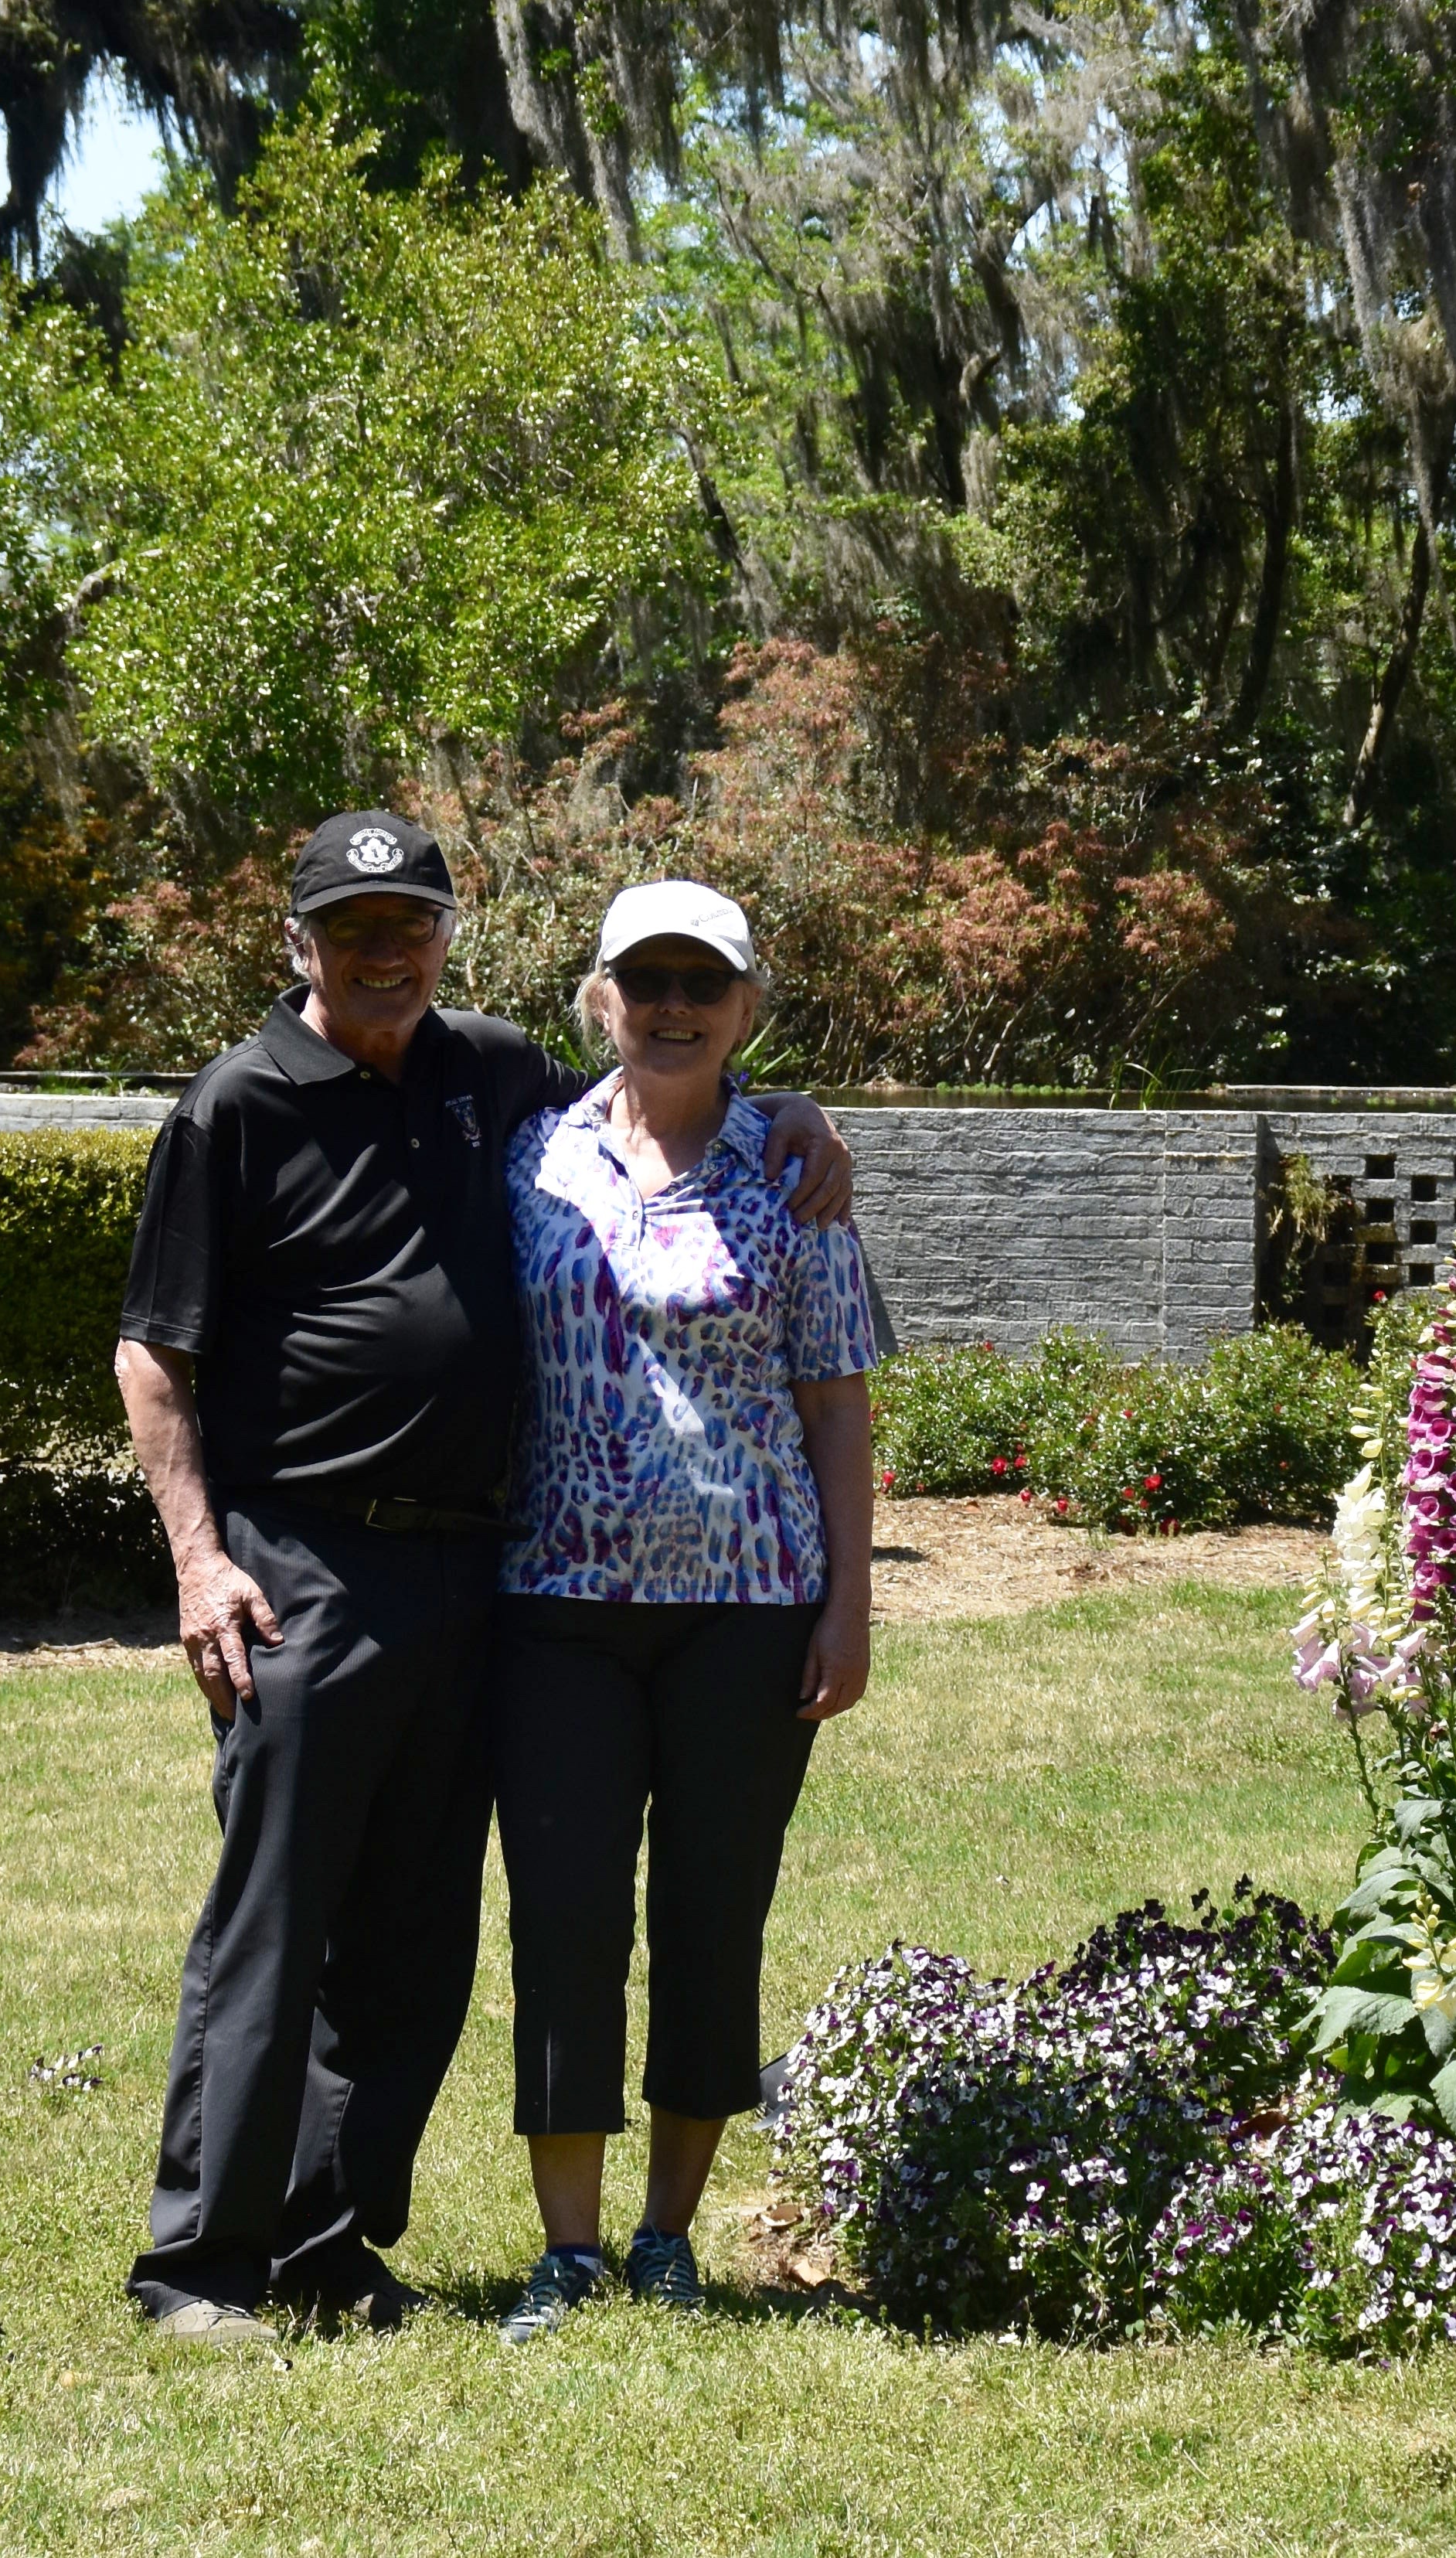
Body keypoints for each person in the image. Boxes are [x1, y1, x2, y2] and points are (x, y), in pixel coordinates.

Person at [115, 812, 855, 2342]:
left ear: (448, 935)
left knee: (413, 1929)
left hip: (473, 1569)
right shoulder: (237, 1103)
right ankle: (200, 2264)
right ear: (296, 943)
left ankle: (331, 2239)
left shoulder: (486, 1072)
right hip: (304, 1564)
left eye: (410, 924)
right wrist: (198, 1562)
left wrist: (799, 1117)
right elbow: (154, 1351)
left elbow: (681, 1087)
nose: (383, 952)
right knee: (278, 1912)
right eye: (351, 928)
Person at [490, 880, 878, 2345]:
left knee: (716, 1912)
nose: (669, 1003)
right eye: (642, 977)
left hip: (750, 1603)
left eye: (699, 982)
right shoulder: (530, 1152)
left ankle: (668, 2232)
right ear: (598, 996)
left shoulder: (797, 1171)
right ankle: (570, 2246)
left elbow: (835, 1396)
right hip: (557, 1599)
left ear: (746, 1008)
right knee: (567, 1915)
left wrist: (850, 1599)